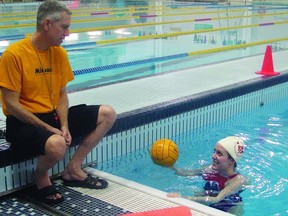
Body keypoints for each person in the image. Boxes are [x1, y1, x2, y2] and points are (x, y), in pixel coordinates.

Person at [0, 0, 116, 205]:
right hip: (23, 123)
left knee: (108, 114)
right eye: (64, 27)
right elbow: (11, 105)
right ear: (47, 24)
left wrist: (63, 124)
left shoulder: (59, 53)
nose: (68, 33)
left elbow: (62, 94)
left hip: (52, 116)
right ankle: (40, 177)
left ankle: (73, 169)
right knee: (57, 144)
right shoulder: (14, 55)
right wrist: (48, 128)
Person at [167, 136, 248, 214]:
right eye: (214, 151)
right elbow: (186, 173)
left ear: (232, 161)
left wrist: (184, 197)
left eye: (219, 154)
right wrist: (170, 165)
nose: (213, 156)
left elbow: (216, 199)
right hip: (209, 200)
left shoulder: (237, 181)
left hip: (229, 208)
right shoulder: (210, 169)